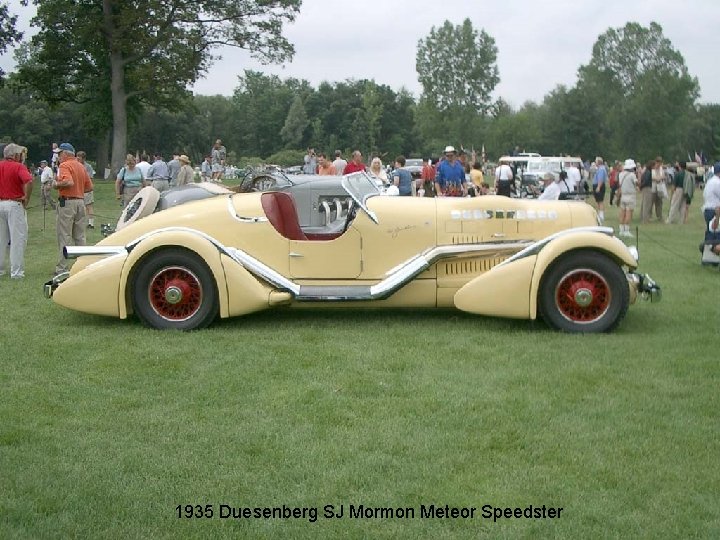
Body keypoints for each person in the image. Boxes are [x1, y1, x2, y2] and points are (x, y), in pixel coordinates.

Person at [53, 142, 92, 276]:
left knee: (64, 235)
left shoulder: (64, 165)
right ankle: (82, 265)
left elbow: (68, 182)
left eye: (59, 153)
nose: (58, 156)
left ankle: (62, 268)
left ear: (65, 153)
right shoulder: (81, 166)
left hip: (67, 202)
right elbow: (89, 187)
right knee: (80, 236)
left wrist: (56, 184)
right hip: (80, 202)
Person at [0, 143, 32, 279]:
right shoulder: (19, 166)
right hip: (14, 204)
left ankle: (1, 269)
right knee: (17, 238)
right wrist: (26, 198)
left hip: (1, 202)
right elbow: (28, 181)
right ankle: (16, 271)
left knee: (1, 239)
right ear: (15, 155)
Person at [617, 159, 638, 237]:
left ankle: (621, 230)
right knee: (629, 213)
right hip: (630, 195)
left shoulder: (620, 174)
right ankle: (626, 230)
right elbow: (637, 183)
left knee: (622, 213)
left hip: (623, 195)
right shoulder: (632, 175)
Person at [76, 151, 96, 229]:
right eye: (77, 157)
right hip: (78, 190)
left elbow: (89, 178)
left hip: (87, 190)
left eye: (79, 158)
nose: (77, 159)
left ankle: (91, 223)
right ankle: (79, 223)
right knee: (79, 208)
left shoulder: (88, 167)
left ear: (83, 158)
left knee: (89, 206)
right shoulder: (75, 166)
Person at [592, 157, 608, 224]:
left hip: (599, 186)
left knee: (600, 200)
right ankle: (599, 213)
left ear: (598, 162)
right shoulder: (599, 169)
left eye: (596, 161)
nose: (595, 163)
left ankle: (601, 215)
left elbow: (600, 179)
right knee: (598, 200)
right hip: (597, 185)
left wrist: (598, 187)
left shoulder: (601, 169)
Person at [639, 159, 655, 223]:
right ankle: (645, 219)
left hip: (645, 188)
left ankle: (642, 217)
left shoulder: (646, 171)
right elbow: (646, 181)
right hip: (647, 188)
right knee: (647, 204)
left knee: (644, 203)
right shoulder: (649, 172)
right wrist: (642, 186)